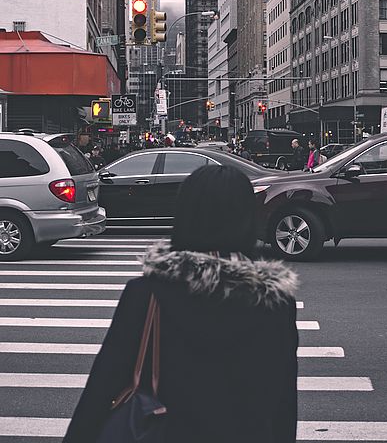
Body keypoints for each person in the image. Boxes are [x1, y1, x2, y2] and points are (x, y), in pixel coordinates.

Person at [63, 165, 298, 443]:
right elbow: (282, 402)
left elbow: (102, 387)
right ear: (247, 217)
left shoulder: (146, 294)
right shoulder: (275, 300)